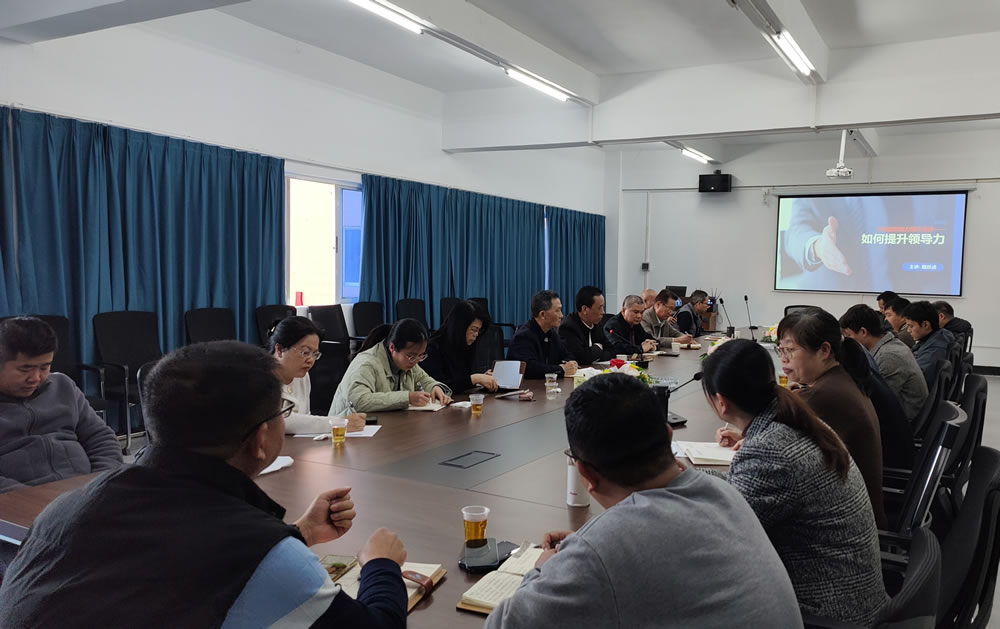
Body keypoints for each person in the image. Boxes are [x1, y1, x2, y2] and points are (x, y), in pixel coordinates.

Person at [0, 341, 409, 628]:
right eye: (282, 411)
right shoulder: (264, 556)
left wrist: (299, 533)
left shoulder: (63, 510)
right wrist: (381, 565)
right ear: (261, 438)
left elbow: (169, 569)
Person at [485, 373, 803, 629]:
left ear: (585, 473)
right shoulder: (722, 491)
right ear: (668, 436)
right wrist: (587, 550)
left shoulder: (605, 549)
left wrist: (545, 569)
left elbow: (502, 624)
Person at [705, 340, 888, 625]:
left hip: (829, 616)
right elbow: (740, 491)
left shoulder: (770, 450)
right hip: (855, 597)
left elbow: (722, 537)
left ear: (721, 402)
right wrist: (687, 478)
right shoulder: (798, 421)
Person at [776, 308, 887, 527]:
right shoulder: (840, 378)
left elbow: (770, 445)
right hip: (858, 514)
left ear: (824, 350)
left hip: (846, 524)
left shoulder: (822, 395)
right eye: (780, 349)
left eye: (790, 350)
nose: (783, 358)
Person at [0, 316, 122, 494]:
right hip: (23, 500)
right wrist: (33, 499)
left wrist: (99, 484)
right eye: (25, 369)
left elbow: (100, 438)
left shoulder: (63, 386)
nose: (36, 378)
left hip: (87, 491)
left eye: (44, 367)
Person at [329, 319, 452, 416]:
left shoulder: (408, 361)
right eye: (411, 356)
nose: (416, 361)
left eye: (421, 355)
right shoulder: (366, 363)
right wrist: (407, 398)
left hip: (383, 425)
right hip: (345, 430)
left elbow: (424, 379)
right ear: (392, 347)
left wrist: (434, 387)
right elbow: (360, 401)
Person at [268, 316, 365, 434]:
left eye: (315, 354)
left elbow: (305, 417)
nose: (310, 360)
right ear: (280, 349)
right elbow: (280, 420)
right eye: (305, 352)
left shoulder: (302, 376)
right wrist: (338, 423)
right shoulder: (260, 378)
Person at [840, 304, 928, 422]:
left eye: (849, 335)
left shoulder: (889, 357)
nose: (848, 341)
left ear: (863, 332)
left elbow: (878, 402)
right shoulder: (889, 345)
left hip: (903, 422)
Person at [422, 300, 498, 393]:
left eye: (479, 330)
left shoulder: (465, 344)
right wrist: (475, 379)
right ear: (460, 326)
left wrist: (480, 379)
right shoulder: (432, 347)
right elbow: (438, 385)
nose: (476, 334)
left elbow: (462, 381)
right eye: (474, 329)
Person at [508, 290, 579, 379]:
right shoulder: (523, 336)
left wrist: (570, 364)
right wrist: (561, 369)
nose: (561, 315)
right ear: (542, 314)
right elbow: (530, 369)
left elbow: (567, 356)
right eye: (557, 311)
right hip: (528, 386)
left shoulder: (551, 334)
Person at [903, 301, 956, 386]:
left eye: (911, 326)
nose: (908, 330)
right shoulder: (942, 334)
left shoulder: (934, 350)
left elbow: (916, 380)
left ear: (925, 325)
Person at [559, 286, 614, 366]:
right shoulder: (568, 327)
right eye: (600, 308)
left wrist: (595, 355)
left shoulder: (597, 324)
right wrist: (598, 347)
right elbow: (581, 358)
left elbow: (612, 350)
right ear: (585, 309)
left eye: (603, 307)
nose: (603, 312)